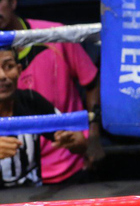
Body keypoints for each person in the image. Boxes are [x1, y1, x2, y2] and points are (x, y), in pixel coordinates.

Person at [0, 0, 104, 184]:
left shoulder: (55, 36)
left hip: (66, 165)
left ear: (12, 2)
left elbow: (91, 83)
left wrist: (92, 138)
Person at [0, 48, 87, 188]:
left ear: (19, 70)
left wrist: (74, 141)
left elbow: (80, 144)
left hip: (31, 201)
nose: (2, 75)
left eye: (9, 67)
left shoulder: (32, 101)